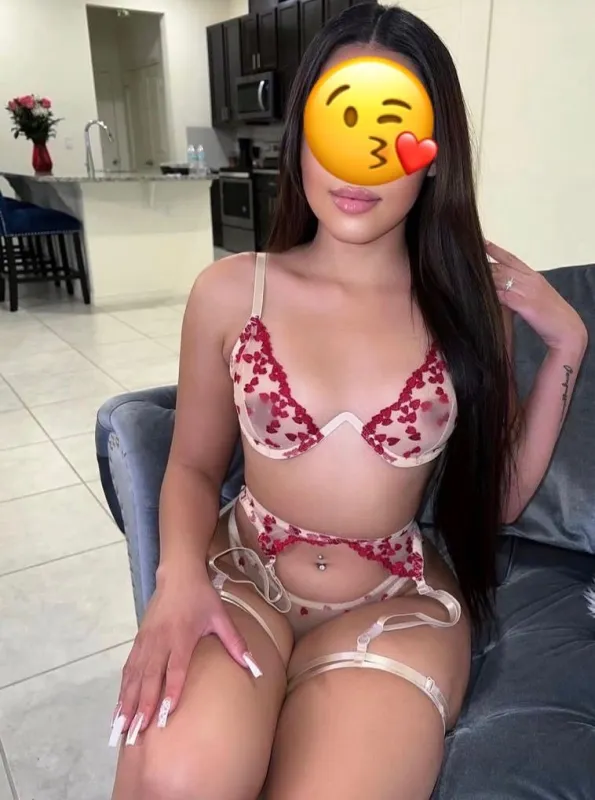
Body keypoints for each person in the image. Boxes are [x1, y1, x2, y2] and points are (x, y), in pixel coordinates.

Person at [110, 4, 588, 799]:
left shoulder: (468, 313)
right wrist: (177, 578)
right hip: (240, 575)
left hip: (395, 607)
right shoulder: (231, 291)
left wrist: (566, 344)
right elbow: (192, 466)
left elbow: (500, 498)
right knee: (176, 778)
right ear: (302, 138)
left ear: (431, 155)